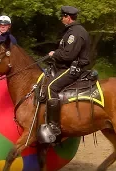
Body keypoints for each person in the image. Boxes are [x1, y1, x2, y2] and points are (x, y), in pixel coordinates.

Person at [45, 5, 90, 140]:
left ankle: (54, 125)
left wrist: (54, 54)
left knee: (51, 87)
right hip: (65, 67)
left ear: (68, 17)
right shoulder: (71, 31)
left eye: (63, 17)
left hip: (72, 68)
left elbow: (68, 55)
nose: (61, 19)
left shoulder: (75, 33)